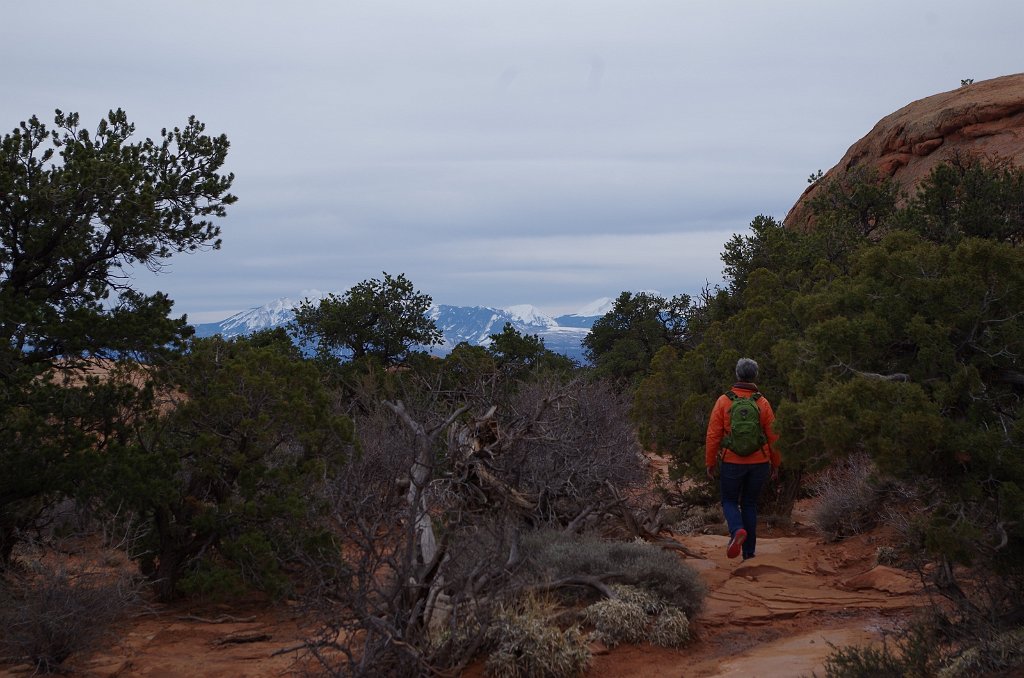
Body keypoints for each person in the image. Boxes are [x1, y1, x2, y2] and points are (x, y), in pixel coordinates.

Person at [705, 358, 780, 560]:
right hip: (760, 462)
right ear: (754, 376)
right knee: (749, 504)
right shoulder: (762, 402)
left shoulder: (724, 400)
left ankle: (737, 530)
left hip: (732, 461)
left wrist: (710, 462)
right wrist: (776, 463)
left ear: (738, 375)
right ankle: (749, 553)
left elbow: (713, 435)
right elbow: (774, 435)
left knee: (729, 501)